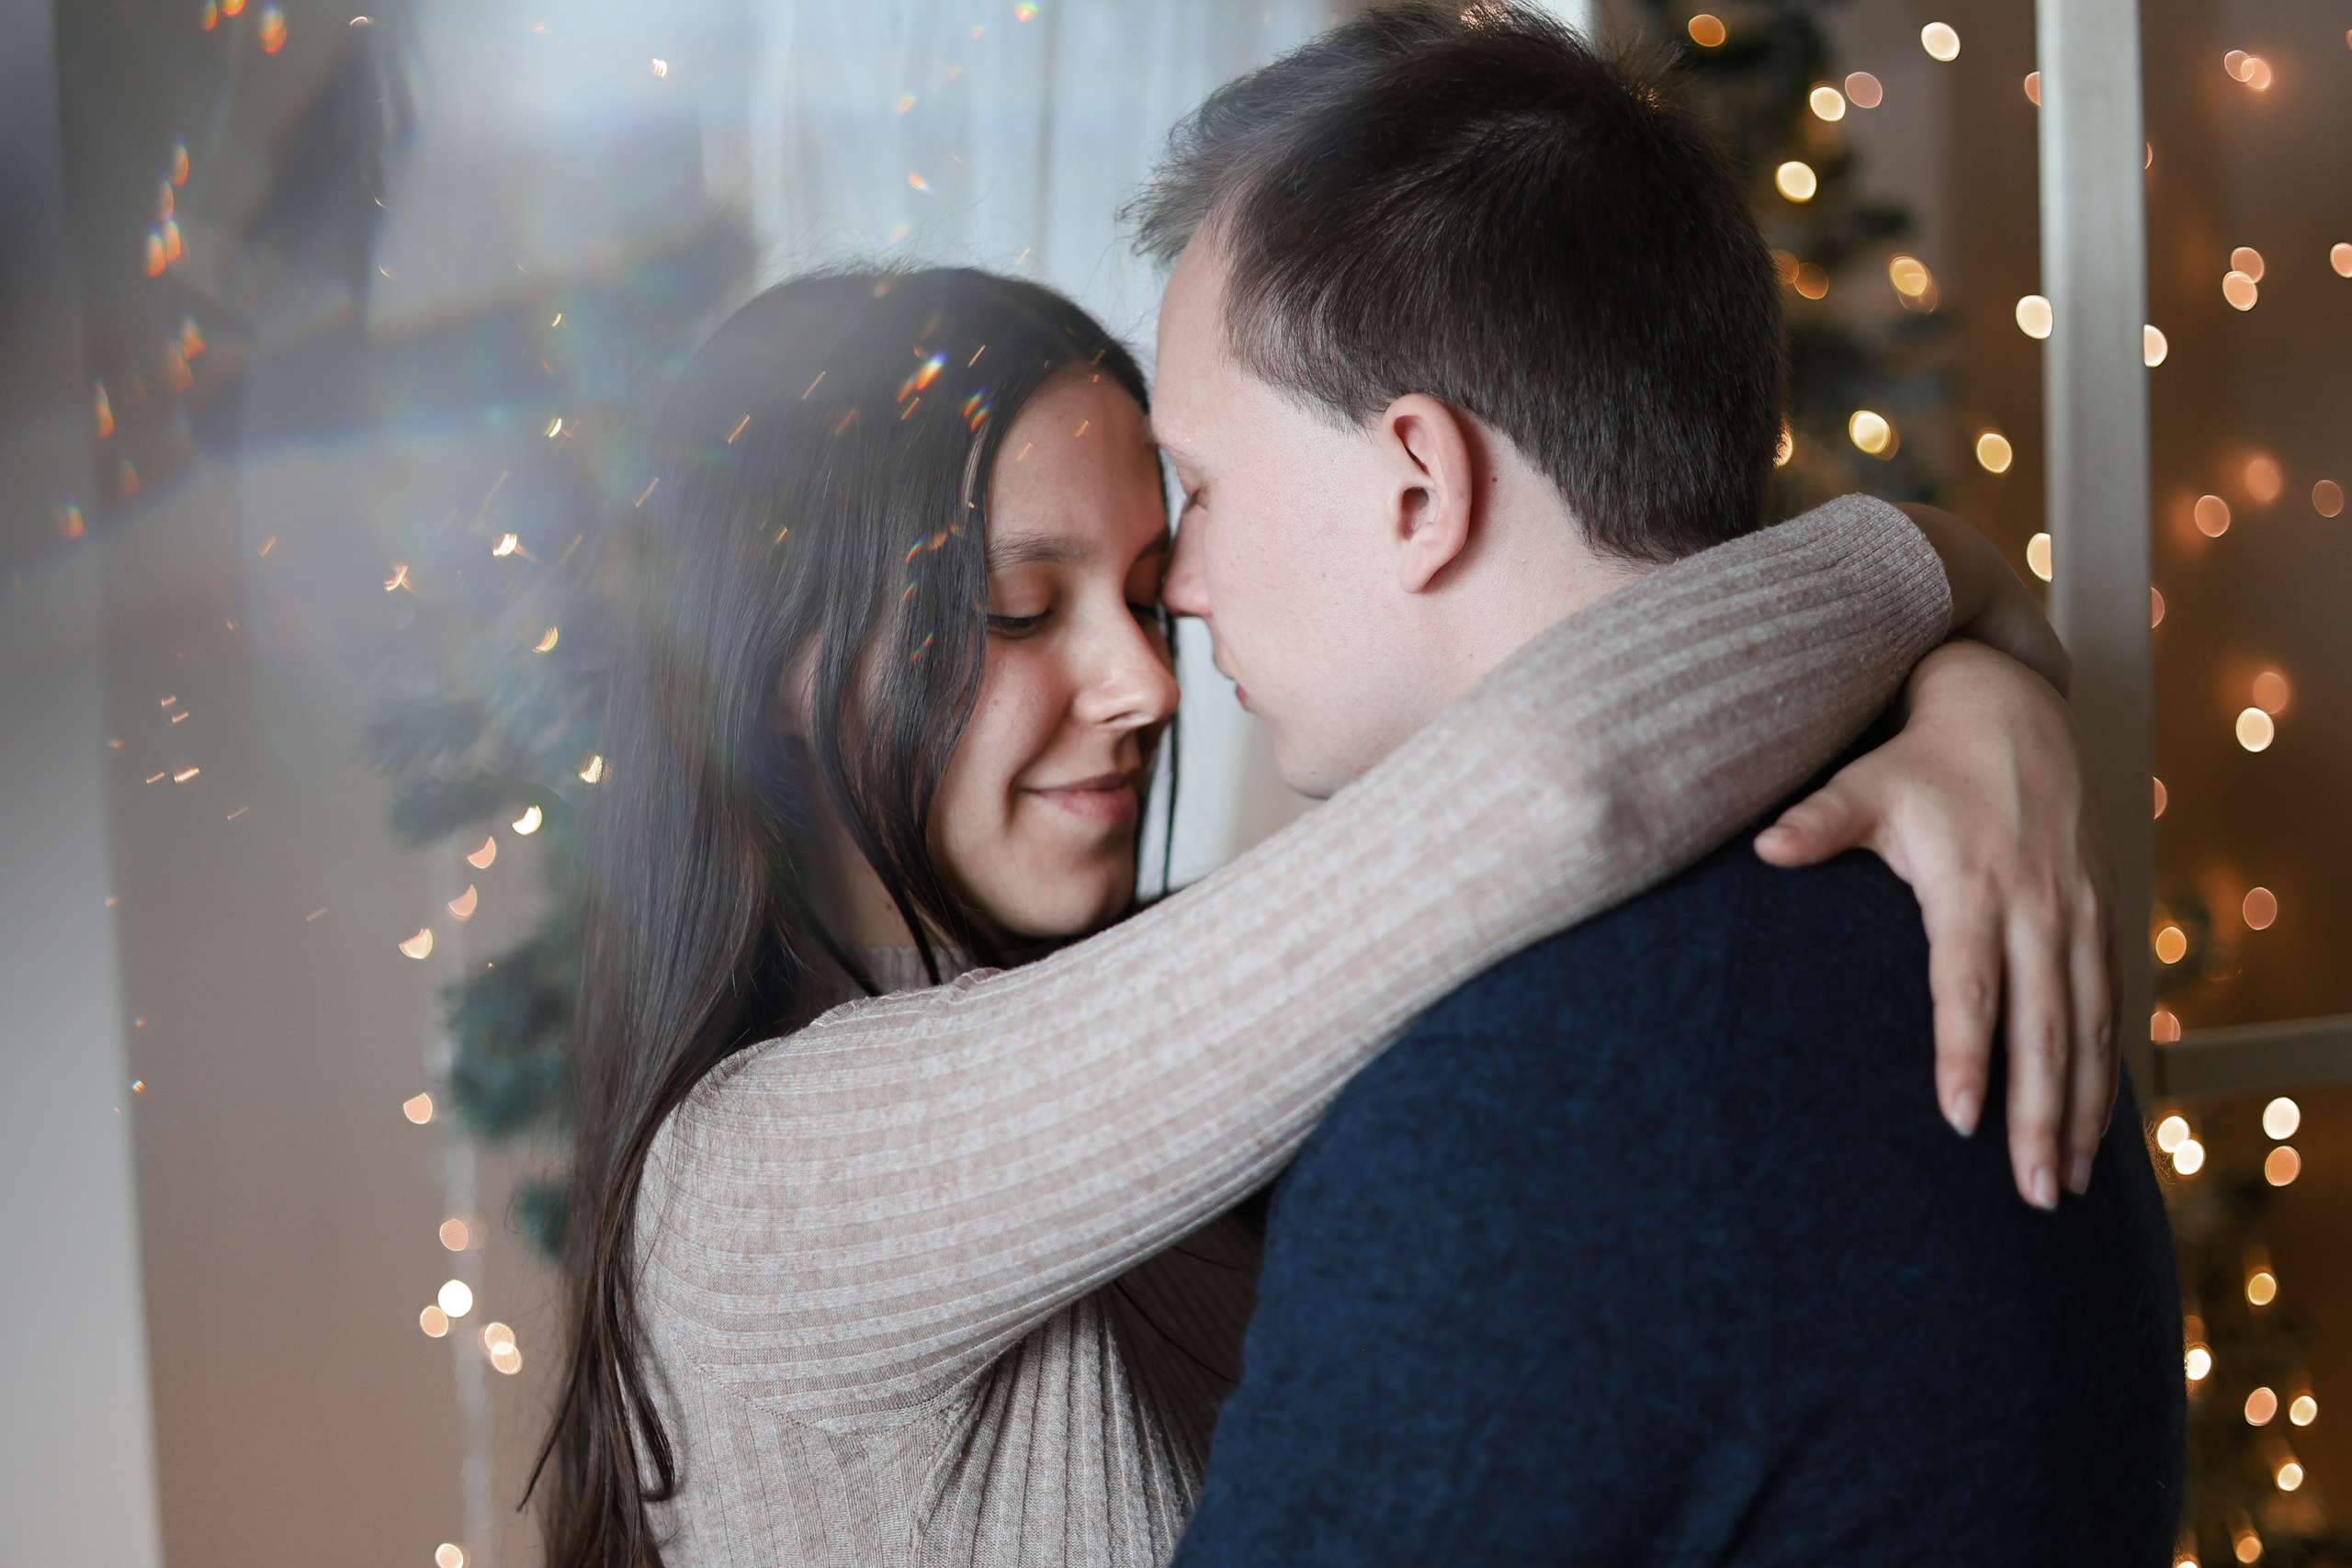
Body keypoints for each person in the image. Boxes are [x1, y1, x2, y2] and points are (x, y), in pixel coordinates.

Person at [1134, 9, 2183, 1563]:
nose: (1180, 579)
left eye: (1202, 487)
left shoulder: (1531, 1090)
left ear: (1420, 484)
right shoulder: (1927, 893)